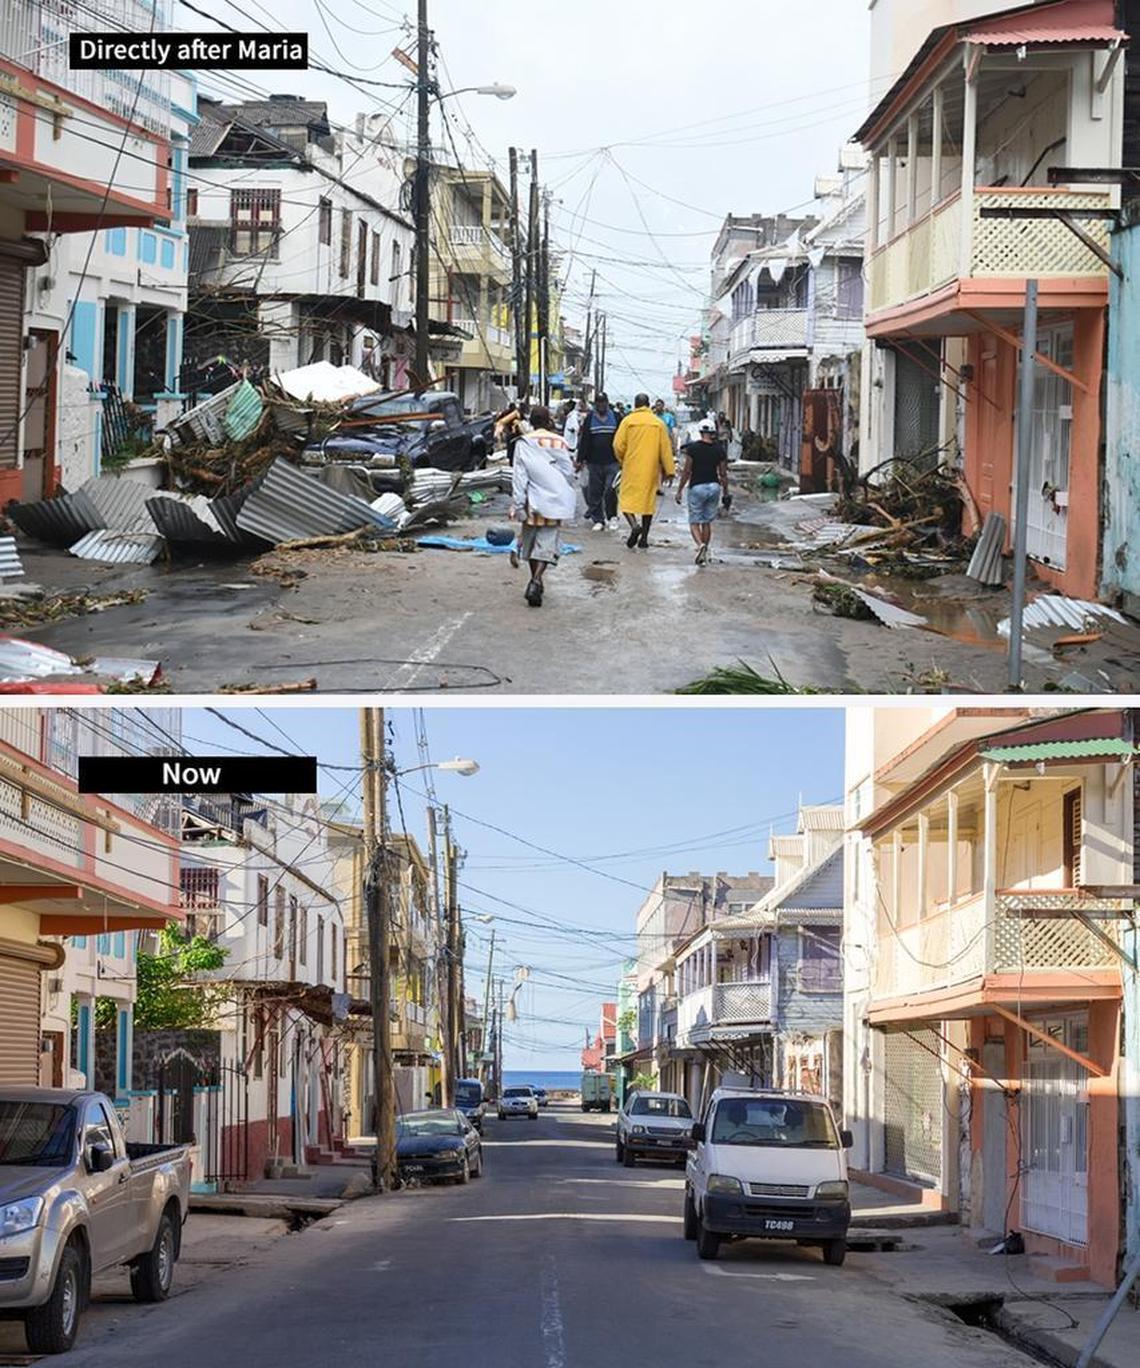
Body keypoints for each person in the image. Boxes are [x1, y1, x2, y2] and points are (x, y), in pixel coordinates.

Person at [509, 405, 577, 607]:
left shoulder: (524, 443)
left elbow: (519, 476)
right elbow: (568, 473)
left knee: (530, 544)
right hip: (554, 501)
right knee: (547, 543)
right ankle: (537, 579)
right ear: (549, 422)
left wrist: (518, 503)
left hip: (532, 502)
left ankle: (534, 581)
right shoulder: (560, 442)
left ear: (531, 422)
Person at [614, 393, 676, 549]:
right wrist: (669, 470)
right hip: (650, 468)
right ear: (649, 405)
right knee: (648, 503)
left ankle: (634, 526)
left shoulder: (627, 421)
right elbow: (665, 449)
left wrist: (623, 460)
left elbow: (617, 445)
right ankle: (644, 539)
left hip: (631, 466)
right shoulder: (658, 423)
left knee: (625, 499)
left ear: (635, 405)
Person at [675, 419, 729, 565]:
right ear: (712, 432)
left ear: (700, 432)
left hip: (697, 487)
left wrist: (680, 490)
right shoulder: (719, 450)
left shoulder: (693, 449)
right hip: (714, 487)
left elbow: (687, 471)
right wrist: (725, 492)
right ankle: (704, 553)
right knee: (706, 522)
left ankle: (700, 545)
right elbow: (723, 473)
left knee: (694, 521)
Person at [576, 392, 620, 531]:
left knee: (610, 490)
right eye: (598, 402)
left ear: (607, 403)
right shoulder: (590, 418)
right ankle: (598, 519)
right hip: (594, 462)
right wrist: (580, 460)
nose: (601, 405)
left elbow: (623, 440)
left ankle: (612, 516)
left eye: (603, 402)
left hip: (612, 462)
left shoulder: (616, 417)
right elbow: (585, 440)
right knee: (594, 492)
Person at [563, 396, 587, 461]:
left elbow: (576, 428)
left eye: (566, 406)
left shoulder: (573, 417)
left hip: (570, 445)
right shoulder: (571, 416)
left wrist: (573, 430)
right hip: (569, 444)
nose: (564, 408)